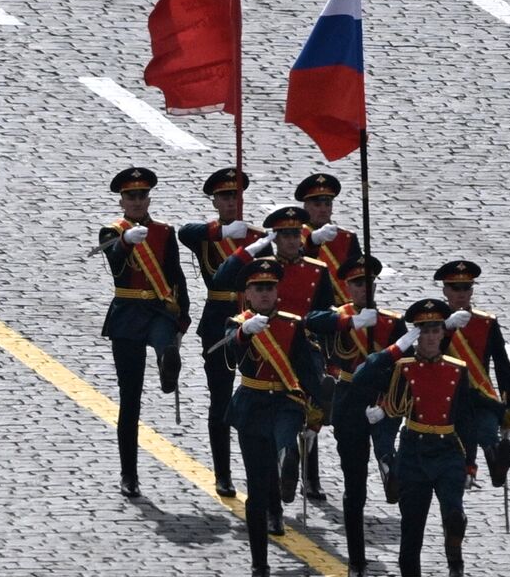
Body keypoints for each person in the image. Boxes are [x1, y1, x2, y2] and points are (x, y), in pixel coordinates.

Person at [214, 206, 335, 525]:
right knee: (264, 453)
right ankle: (276, 501)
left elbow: (324, 313)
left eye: (297, 233)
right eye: (285, 234)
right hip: (259, 369)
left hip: (298, 353)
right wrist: (249, 249)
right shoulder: (255, 275)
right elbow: (222, 279)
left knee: (297, 426)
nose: (292, 240)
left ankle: (299, 471)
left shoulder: (316, 270)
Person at [354, 299, 474, 577]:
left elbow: (466, 421)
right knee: (412, 531)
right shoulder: (402, 368)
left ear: (443, 333)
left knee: (453, 510)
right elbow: (363, 379)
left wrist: (470, 464)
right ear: (415, 334)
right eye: (424, 331)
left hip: (448, 451)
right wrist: (394, 350)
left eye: (435, 330)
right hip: (414, 452)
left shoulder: (458, 370)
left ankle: (454, 550)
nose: (431, 337)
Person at [223, 258, 324, 577]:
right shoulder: (237, 323)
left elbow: (307, 371)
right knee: (255, 488)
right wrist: (241, 334)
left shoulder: (294, 325)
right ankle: (260, 564)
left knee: (285, 441)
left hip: (285, 402)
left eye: (269, 288)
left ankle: (287, 462)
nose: (265, 294)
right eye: (258, 289)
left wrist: (317, 410)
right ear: (248, 295)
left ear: (277, 291)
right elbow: (229, 358)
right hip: (252, 405)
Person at [305, 255, 405, 577]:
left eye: (369, 283)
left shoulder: (391, 323)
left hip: (381, 402)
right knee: (355, 486)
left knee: (394, 461)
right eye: (358, 284)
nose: (365, 288)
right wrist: (351, 323)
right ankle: (357, 559)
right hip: (347, 403)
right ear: (347, 287)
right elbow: (310, 322)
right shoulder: (338, 317)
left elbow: (405, 368)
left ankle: (389, 464)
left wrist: (388, 403)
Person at [97, 167, 190, 499]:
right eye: (130, 196)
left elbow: (176, 277)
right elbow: (116, 264)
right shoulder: (110, 231)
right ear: (122, 201)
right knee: (130, 398)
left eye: (141, 196)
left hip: (158, 310)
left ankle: (168, 365)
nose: (136, 201)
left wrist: (183, 320)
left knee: (166, 344)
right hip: (127, 314)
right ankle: (129, 474)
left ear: (149, 199)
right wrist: (124, 242)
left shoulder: (165, 232)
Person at [177, 167, 263, 498]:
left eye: (236, 196)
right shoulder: (207, 236)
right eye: (225, 197)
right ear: (215, 202)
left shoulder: (256, 237)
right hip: (217, 321)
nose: (232, 202)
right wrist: (221, 231)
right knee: (221, 400)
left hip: (254, 322)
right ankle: (223, 473)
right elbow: (183, 232)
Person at [434, 260, 510, 490]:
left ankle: (496, 462)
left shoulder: (486, 323)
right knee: (461, 439)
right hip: (446, 396)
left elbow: (502, 365)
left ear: (472, 291)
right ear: (444, 290)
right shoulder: (434, 323)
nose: (461, 294)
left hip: (479, 395)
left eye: (466, 288)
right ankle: (467, 470)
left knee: (486, 426)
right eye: (455, 288)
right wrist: (446, 329)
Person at [295, 172, 363, 306]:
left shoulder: (347, 237)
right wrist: (312, 242)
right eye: (317, 205)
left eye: (327, 204)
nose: (323, 209)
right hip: (309, 303)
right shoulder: (294, 235)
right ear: (306, 206)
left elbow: (357, 275)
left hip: (342, 307)